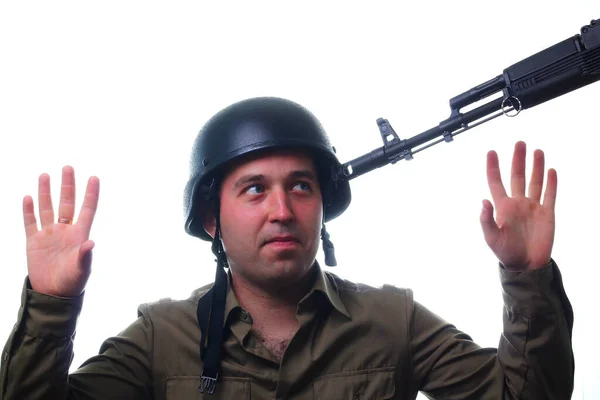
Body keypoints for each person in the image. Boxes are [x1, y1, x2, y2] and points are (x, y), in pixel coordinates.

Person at [0, 96, 574, 399]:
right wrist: (50, 309)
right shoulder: (160, 337)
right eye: (254, 190)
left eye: (301, 186)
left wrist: (527, 277)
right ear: (211, 221)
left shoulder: (392, 321)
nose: (282, 210)